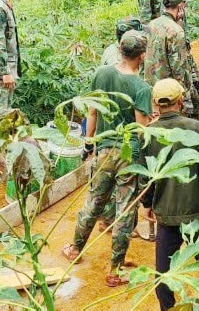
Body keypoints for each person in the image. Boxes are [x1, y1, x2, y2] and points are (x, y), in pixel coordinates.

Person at [62, 31, 152, 286]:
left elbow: (92, 113)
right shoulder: (142, 88)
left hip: (103, 150)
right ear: (142, 56)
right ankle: (115, 269)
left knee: (93, 202)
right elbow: (140, 130)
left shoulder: (102, 73)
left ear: (120, 50)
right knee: (125, 212)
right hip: (128, 155)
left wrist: (89, 144)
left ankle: (73, 248)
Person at [143, 78, 199, 310]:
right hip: (198, 212)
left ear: (156, 103)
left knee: (164, 273)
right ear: (181, 101)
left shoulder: (148, 133)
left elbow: (146, 176)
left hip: (166, 213)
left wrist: (146, 205)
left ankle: (168, 308)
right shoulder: (195, 128)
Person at [144, 0, 195, 116]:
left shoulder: (151, 24)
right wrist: (183, 92)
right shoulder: (175, 31)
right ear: (180, 6)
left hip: (151, 86)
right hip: (168, 90)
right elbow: (179, 66)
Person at [171, 0, 199, 122]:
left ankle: (197, 124)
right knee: (189, 101)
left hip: (187, 59)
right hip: (180, 66)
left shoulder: (180, 15)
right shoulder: (170, 23)